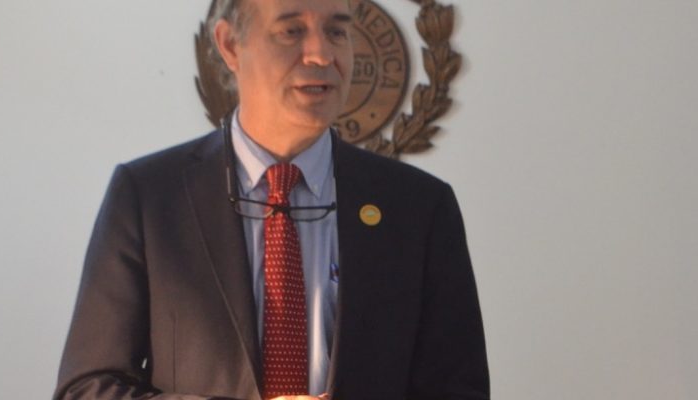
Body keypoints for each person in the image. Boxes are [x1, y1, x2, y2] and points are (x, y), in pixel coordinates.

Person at [53, 0, 488, 399]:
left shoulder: (420, 208)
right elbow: (86, 389)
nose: (321, 55)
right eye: (291, 31)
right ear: (229, 45)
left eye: (337, 32)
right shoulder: (149, 197)